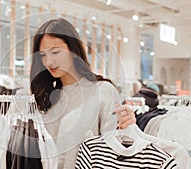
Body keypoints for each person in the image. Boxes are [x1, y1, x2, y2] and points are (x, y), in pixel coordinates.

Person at [29, 18, 136, 169]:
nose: (49, 61)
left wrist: (128, 124)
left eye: (55, 52)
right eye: (43, 55)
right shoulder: (45, 98)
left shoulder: (102, 91)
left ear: (73, 50)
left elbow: (116, 150)